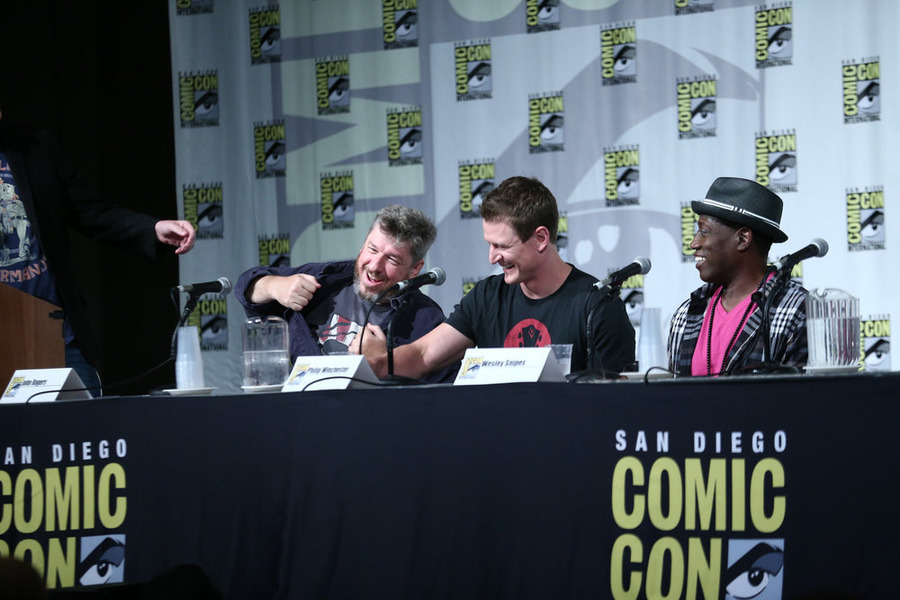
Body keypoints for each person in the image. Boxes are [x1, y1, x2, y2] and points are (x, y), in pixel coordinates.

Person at [355, 176, 636, 379]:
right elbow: (423, 355)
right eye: (490, 244)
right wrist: (377, 363)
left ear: (540, 238)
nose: (492, 258)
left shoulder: (598, 306)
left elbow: (612, 403)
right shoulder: (487, 296)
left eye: (502, 246)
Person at [0, 107, 196, 392]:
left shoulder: (34, 147)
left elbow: (88, 211)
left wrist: (152, 228)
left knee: (83, 418)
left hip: (55, 335)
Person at [235, 204, 454, 382]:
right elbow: (246, 288)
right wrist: (275, 286)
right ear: (363, 245)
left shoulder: (428, 322)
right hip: (303, 410)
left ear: (415, 269)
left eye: (392, 259)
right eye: (372, 249)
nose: (375, 266)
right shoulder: (325, 278)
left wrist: (386, 363)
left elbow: (438, 398)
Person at [667, 176, 808, 376]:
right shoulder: (686, 313)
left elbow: (806, 393)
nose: (694, 243)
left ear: (742, 239)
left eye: (704, 231)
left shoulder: (797, 310)